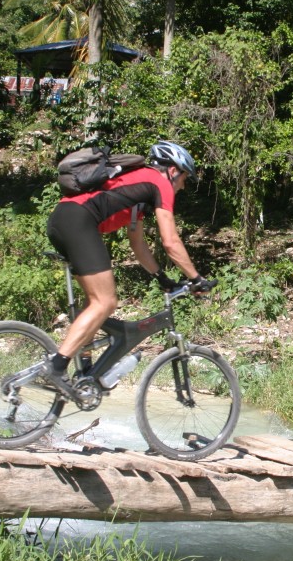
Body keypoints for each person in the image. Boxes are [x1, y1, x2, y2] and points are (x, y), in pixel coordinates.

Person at [44, 140, 215, 397]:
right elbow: (170, 241)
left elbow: (137, 244)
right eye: (183, 178)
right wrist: (196, 278)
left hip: (63, 219)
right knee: (106, 302)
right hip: (79, 222)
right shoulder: (158, 183)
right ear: (172, 171)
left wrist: (162, 277)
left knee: (95, 302)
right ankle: (57, 367)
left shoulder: (138, 186)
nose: (182, 185)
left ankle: (85, 370)